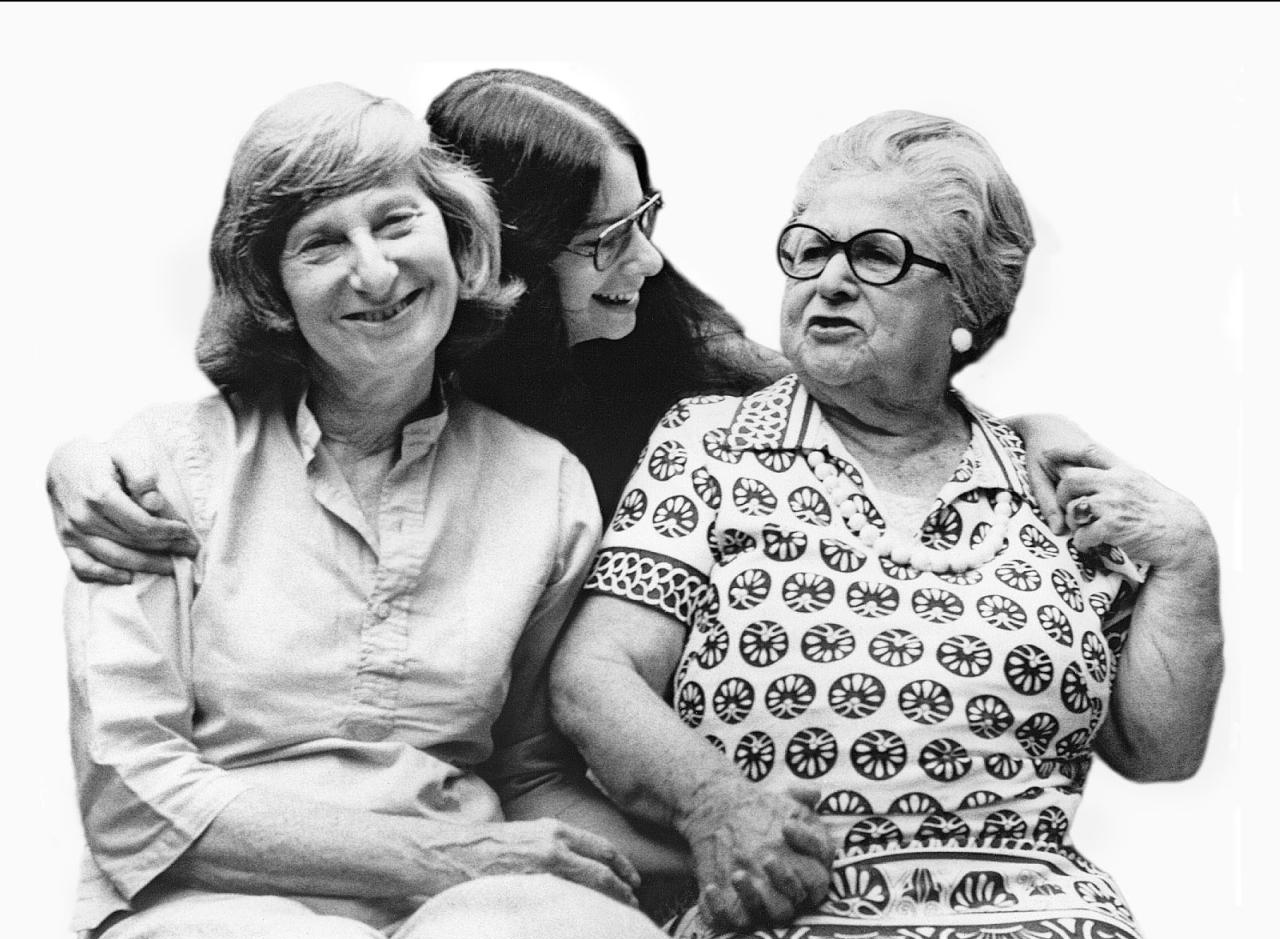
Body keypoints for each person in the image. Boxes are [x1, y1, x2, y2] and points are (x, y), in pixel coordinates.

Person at [550, 109, 1224, 939]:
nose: (828, 281)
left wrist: (1190, 555)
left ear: (967, 303)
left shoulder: (1045, 481)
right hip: (790, 917)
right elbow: (595, 675)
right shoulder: (713, 444)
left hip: (1042, 926)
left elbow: (1160, 749)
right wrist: (716, 803)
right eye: (809, 249)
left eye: (875, 256)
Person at [63, 81, 690, 939]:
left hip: (476, 900)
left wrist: (727, 836)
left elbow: (528, 770)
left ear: (458, 240)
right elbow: (131, 798)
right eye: (322, 243)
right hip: (213, 906)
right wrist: (442, 856)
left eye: (397, 223)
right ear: (272, 290)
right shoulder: (161, 468)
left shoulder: (544, 483)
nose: (375, 271)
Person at [46, 69, 1092, 586]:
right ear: (491, 251)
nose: (644, 261)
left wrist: (1017, 434)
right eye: (601, 242)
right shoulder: (387, 327)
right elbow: (230, 410)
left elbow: (858, 390)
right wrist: (79, 461)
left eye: (646, 221)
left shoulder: (679, 352)